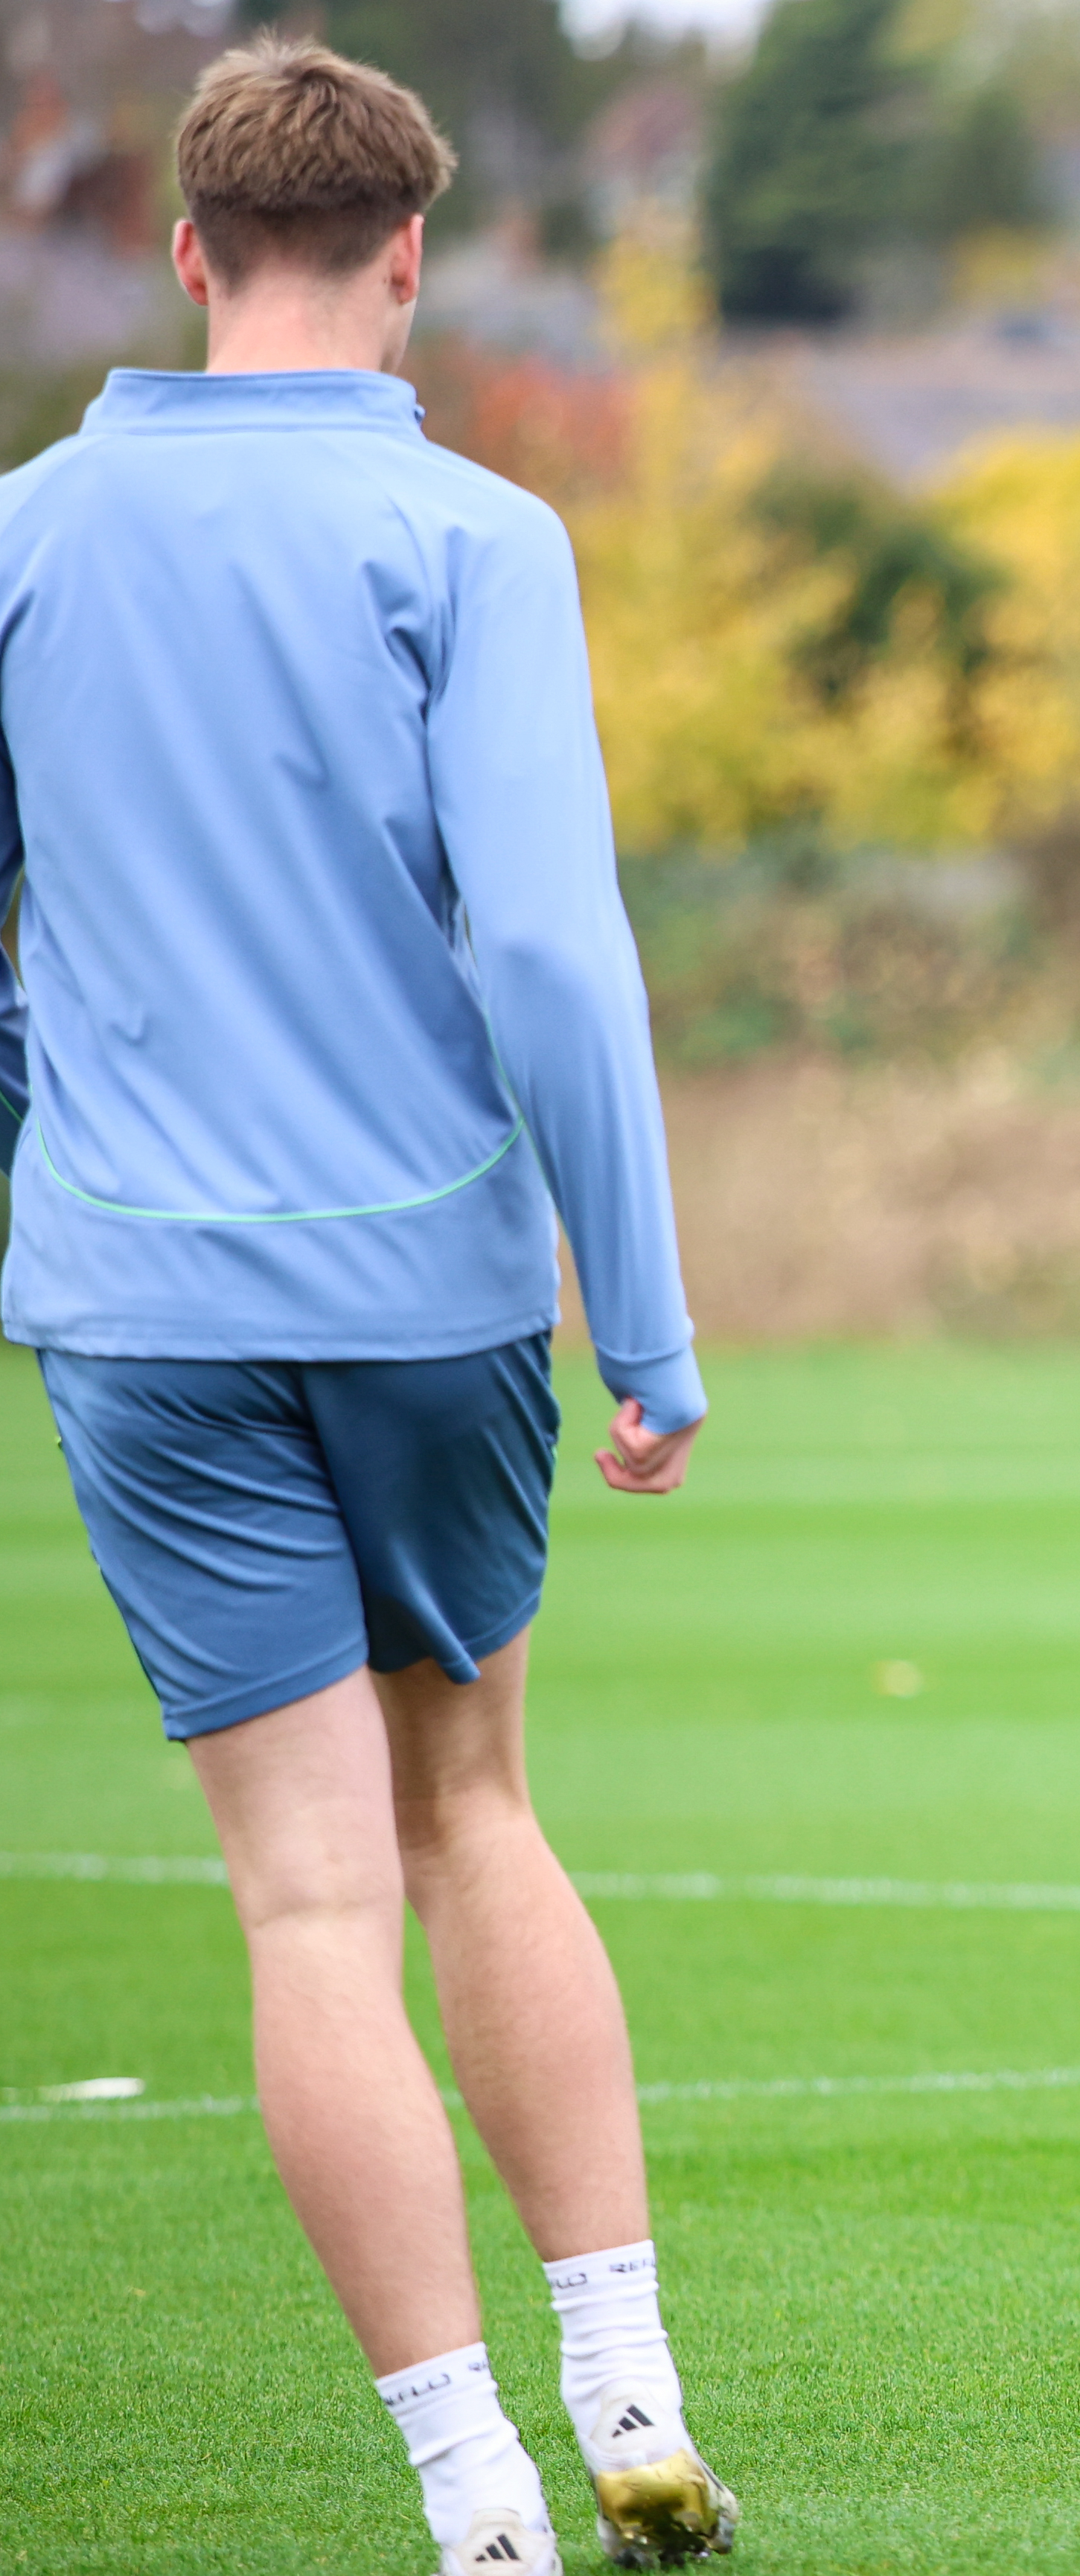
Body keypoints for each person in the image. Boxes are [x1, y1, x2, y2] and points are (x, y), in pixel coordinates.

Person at [0, 39, 737, 2571]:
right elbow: (547, 942)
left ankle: (476, 2503)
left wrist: (48, 1164)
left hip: (137, 1302)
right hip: (426, 1289)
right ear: (409, 257)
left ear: (188, 252)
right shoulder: (476, 532)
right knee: (475, 1814)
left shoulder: (21, 538)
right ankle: (624, 2373)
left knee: (307, 1900)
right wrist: (641, 1325)